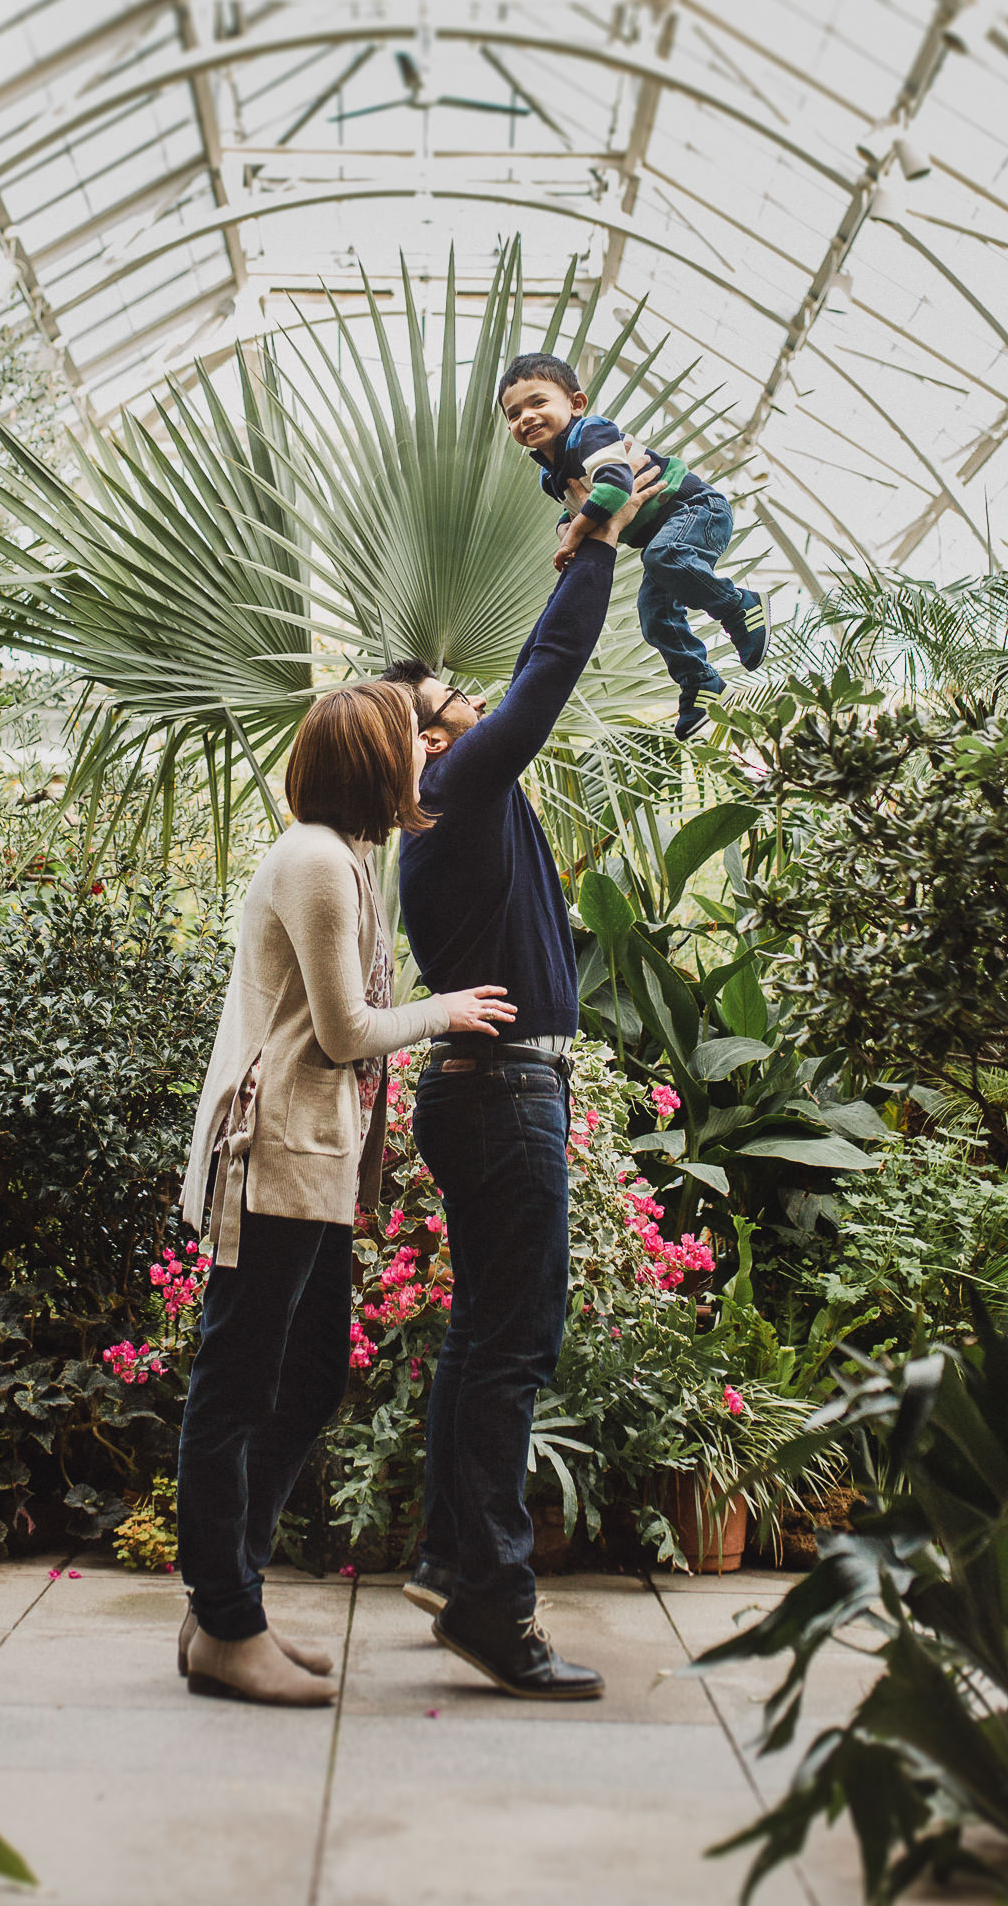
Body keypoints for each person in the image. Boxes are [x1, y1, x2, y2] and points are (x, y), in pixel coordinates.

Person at [175, 680, 517, 1708]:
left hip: (309, 1154)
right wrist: (445, 1011)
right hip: (273, 1149)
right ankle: (227, 1622)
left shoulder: (346, 856)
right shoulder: (319, 860)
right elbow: (343, 1032)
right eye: (410, 740)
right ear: (372, 762)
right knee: (233, 1386)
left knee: (314, 1370)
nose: (426, 751)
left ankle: (223, 1601)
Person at [380, 460, 661, 1702]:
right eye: (449, 698)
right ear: (430, 741)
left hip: (481, 1089)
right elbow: (546, 682)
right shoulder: (457, 789)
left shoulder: (454, 814)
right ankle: (495, 1606)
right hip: (502, 1095)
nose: (472, 699)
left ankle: (452, 1566)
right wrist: (595, 544)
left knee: (481, 1339)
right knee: (512, 1345)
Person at [498, 350, 769, 741]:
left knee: (664, 557)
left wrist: (575, 535)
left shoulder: (589, 432)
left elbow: (614, 486)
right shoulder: (550, 476)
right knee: (653, 613)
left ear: (575, 404)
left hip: (694, 509)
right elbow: (576, 508)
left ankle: (739, 606)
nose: (526, 417)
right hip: (663, 538)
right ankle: (702, 683)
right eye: (513, 413)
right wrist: (566, 530)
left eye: (538, 402)